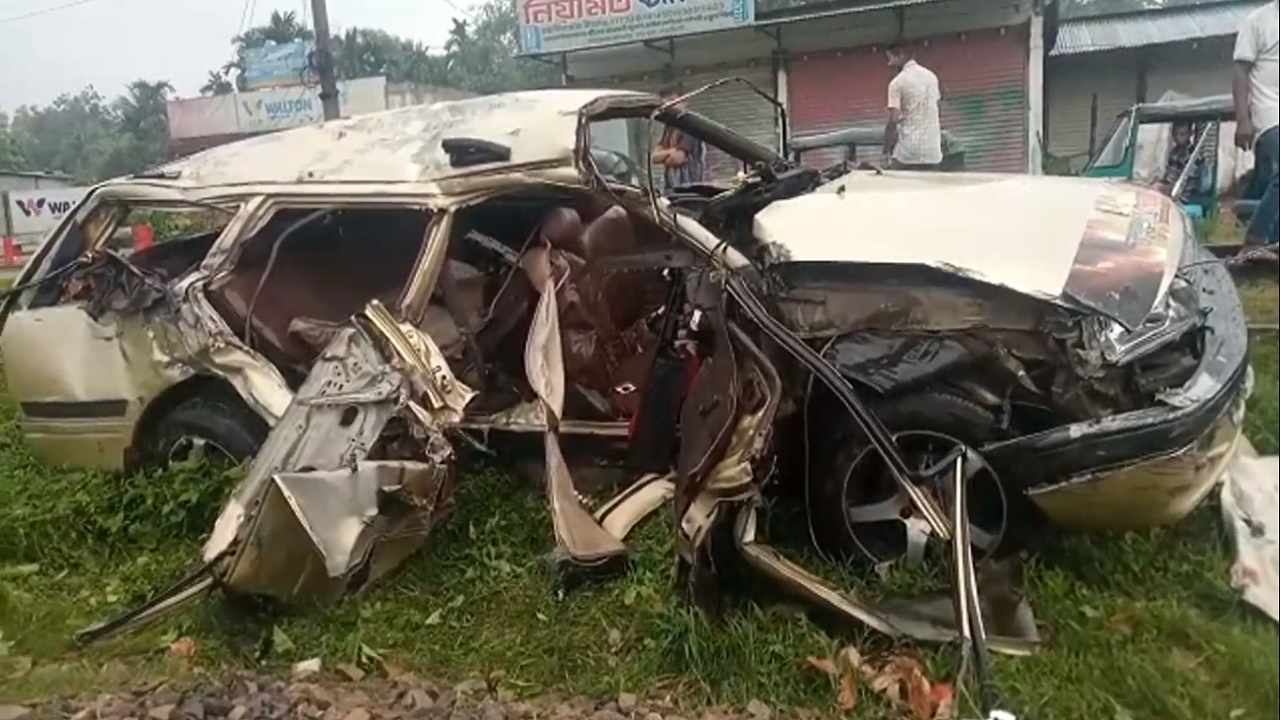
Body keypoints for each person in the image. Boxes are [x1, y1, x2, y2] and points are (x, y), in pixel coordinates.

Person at [1231, 0, 1278, 248]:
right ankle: (1255, 239)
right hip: (1270, 115)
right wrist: (1242, 119)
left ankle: (1273, 241)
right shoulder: (1258, 21)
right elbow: (1240, 70)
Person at [882, 40, 943, 171]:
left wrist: (885, 151)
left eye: (890, 58)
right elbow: (937, 108)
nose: (889, 63)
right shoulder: (932, 77)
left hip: (909, 153)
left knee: (891, 184)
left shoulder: (897, 83)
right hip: (933, 152)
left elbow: (893, 119)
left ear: (901, 56)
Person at [651, 84, 705, 189]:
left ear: (685, 101)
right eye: (665, 102)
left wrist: (666, 155)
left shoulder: (690, 125)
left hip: (689, 189)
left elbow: (677, 159)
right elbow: (654, 157)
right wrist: (670, 152)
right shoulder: (670, 126)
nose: (668, 105)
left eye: (672, 100)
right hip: (671, 188)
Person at [1157, 121, 1206, 200]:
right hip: (1171, 191)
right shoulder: (1174, 153)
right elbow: (1169, 175)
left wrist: (1166, 187)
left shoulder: (1194, 155)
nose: (1178, 138)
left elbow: (1187, 182)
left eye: (1182, 135)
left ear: (1190, 134)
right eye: (1175, 134)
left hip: (1185, 197)